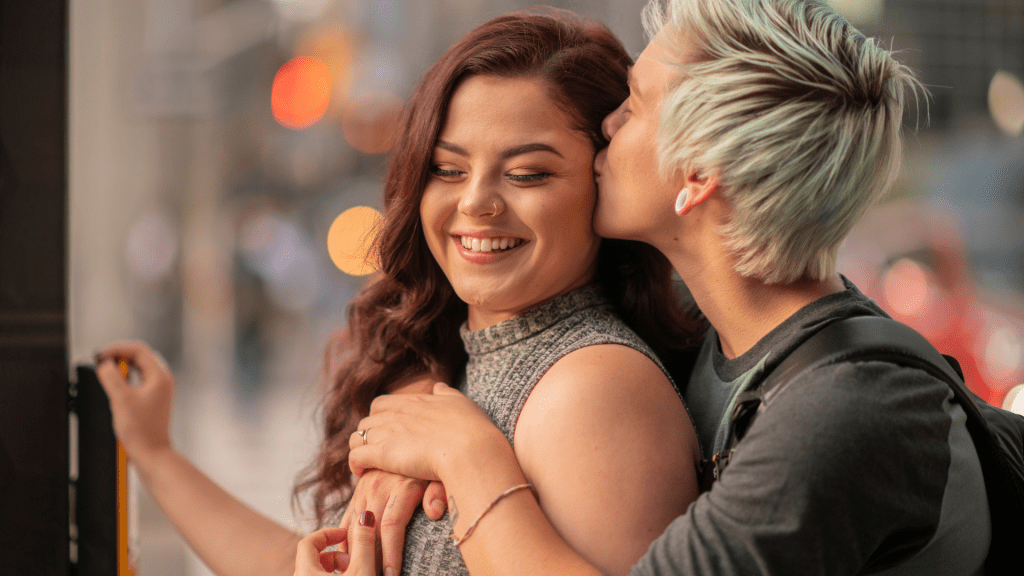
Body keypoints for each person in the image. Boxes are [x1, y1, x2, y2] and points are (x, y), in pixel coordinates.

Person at [337, 0, 992, 575]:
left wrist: (467, 458)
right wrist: (417, 405)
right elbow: (510, 339)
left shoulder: (845, 413)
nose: (609, 127)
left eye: (635, 104)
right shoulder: (722, 332)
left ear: (699, 172)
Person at [96, 9, 705, 576]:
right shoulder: (463, 366)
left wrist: (469, 459)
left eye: (528, 174)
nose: (476, 203)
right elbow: (299, 566)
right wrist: (154, 452)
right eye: (447, 169)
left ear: (604, 178)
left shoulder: (591, 386)